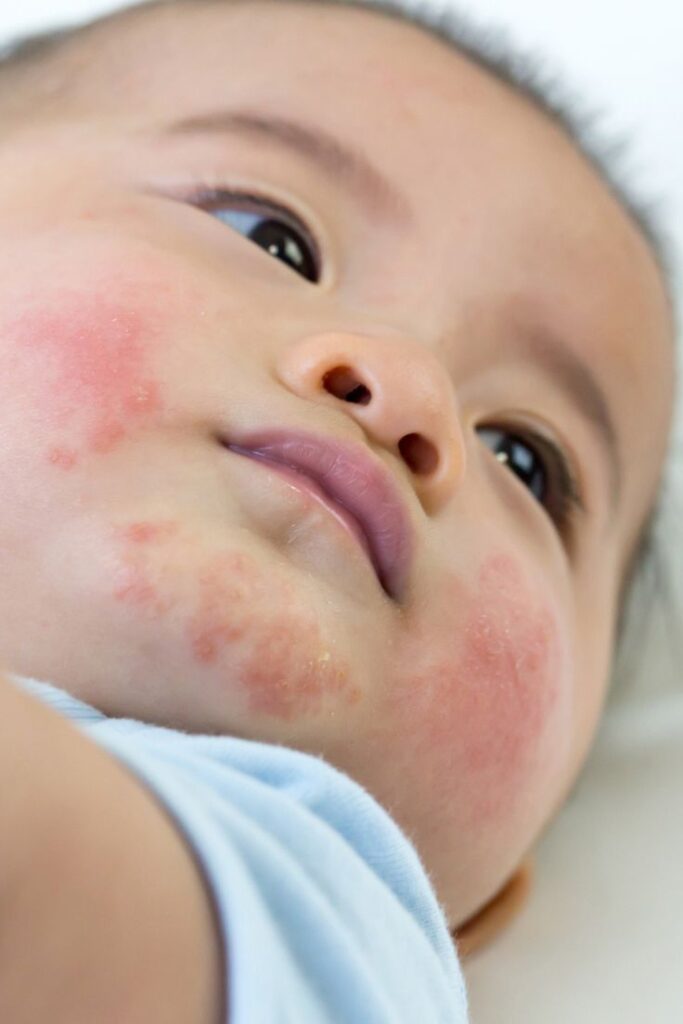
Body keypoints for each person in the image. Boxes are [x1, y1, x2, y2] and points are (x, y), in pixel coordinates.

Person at [0, 0, 677, 1020]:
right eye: (272, 238)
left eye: (524, 461)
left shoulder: (323, 910)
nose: (410, 391)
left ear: (477, 913)